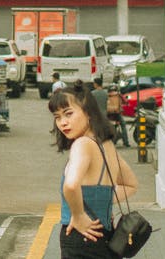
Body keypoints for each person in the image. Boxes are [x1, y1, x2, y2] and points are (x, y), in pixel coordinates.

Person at [50, 83, 138, 258]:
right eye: (58, 117)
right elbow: (131, 185)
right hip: (106, 237)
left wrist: (79, 215)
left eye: (69, 114)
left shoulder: (82, 144)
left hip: (80, 238)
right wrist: (101, 203)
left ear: (88, 113)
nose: (63, 123)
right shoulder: (107, 145)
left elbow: (71, 185)